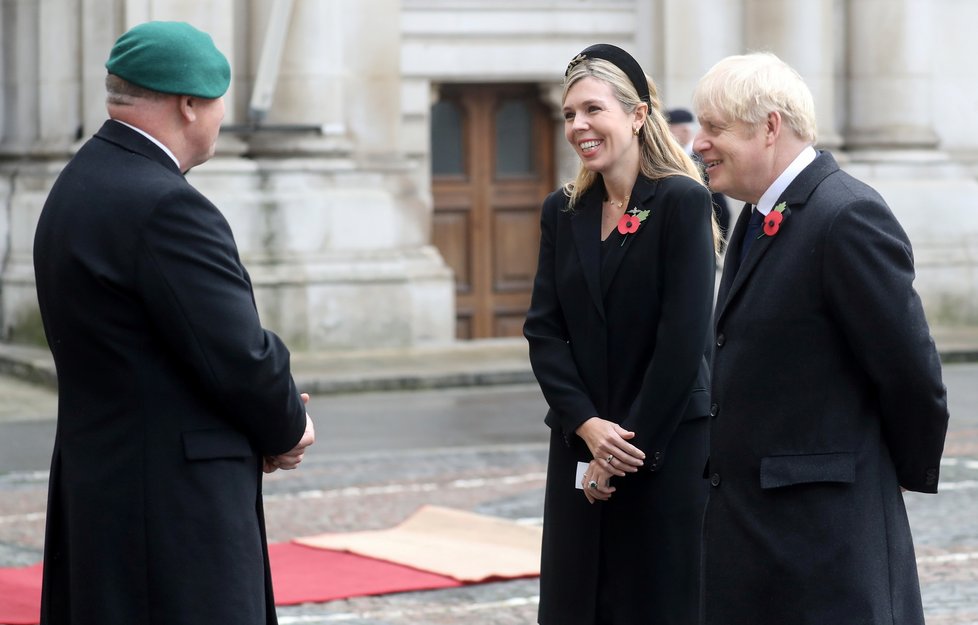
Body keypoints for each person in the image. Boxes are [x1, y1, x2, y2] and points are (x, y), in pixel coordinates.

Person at [33, 21, 315, 625]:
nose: (217, 121)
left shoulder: (80, 180)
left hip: (108, 491)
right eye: (216, 105)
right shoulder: (166, 204)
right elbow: (238, 355)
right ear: (190, 105)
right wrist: (286, 423)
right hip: (169, 513)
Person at [692, 52, 949, 625]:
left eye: (714, 127)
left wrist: (869, 486)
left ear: (769, 127)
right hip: (758, 542)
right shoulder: (760, 216)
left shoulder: (846, 215)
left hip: (825, 545)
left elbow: (911, 376)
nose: (698, 143)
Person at [524, 44, 718, 625]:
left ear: (636, 115)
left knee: (656, 603)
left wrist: (625, 448)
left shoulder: (683, 200)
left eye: (592, 110)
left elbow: (683, 341)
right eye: (568, 115)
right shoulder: (562, 211)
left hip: (661, 449)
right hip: (579, 445)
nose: (579, 126)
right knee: (575, 602)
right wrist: (586, 425)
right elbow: (543, 330)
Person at [667, 107, 731, 243]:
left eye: (670, 129)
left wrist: (715, 249)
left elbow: (720, 209)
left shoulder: (703, 159)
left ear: (684, 130)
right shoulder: (676, 158)